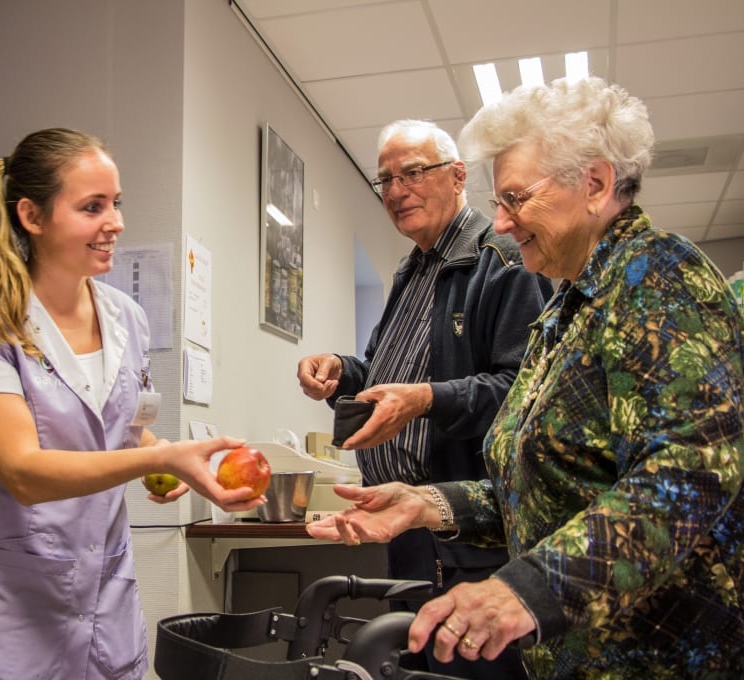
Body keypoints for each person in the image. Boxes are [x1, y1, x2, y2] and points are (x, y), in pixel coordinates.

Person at [307, 77, 744, 679]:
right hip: (571, 651)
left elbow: (690, 477)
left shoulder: (657, 276)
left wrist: (528, 589)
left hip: (656, 653)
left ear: (594, 184)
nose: (504, 223)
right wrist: (426, 503)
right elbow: (548, 485)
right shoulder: (566, 311)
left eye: (517, 199)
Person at [0, 128, 264, 680]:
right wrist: (157, 460)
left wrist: (176, 463)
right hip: (11, 610)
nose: (116, 222)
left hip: (105, 602)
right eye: (93, 207)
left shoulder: (126, 316)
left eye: (116, 203)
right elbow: (23, 471)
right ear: (32, 217)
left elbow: (127, 428)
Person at [297, 119, 552, 678]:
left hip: (470, 534)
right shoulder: (411, 271)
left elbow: (524, 394)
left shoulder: (505, 261)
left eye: (412, 173)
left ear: (458, 176)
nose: (395, 191)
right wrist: (343, 372)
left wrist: (425, 400)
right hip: (407, 528)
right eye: (384, 179)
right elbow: (390, 374)